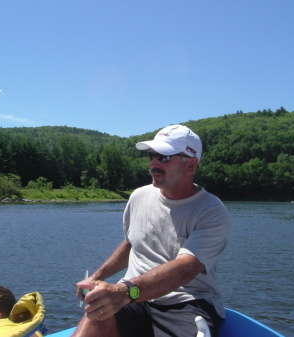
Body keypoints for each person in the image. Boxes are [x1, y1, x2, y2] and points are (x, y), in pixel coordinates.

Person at [74, 124, 230, 337]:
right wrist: (97, 277)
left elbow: (186, 268)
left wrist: (125, 291)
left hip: (186, 302)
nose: (154, 164)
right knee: (95, 318)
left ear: (191, 165)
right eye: (152, 155)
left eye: (164, 157)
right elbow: (132, 244)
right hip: (134, 300)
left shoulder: (211, 211)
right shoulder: (139, 197)